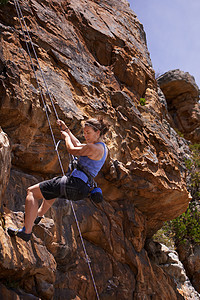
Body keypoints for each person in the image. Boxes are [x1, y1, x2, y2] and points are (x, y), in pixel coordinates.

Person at [7, 118, 108, 241]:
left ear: (97, 132)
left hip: (74, 183)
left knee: (32, 192)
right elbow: (78, 144)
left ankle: (26, 232)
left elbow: (72, 149)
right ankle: (37, 216)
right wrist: (66, 130)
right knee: (52, 192)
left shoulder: (94, 148)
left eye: (88, 132)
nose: (85, 135)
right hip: (81, 188)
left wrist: (66, 137)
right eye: (84, 132)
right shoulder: (101, 147)